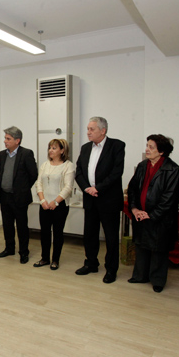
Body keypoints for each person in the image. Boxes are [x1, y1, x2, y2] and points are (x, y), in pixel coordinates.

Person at [74, 116, 125, 283]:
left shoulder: (116, 146)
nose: (88, 132)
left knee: (111, 237)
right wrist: (87, 188)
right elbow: (78, 171)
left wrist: (98, 188)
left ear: (103, 131)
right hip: (90, 198)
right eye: (88, 129)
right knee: (89, 234)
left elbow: (116, 172)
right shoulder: (85, 148)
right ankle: (91, 263)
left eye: (92, 129)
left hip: (108, 199)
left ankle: (111, 269)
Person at [126, 135, 179, 292]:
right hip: (140, 214)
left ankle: (157, 280)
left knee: (159, 249)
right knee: (141, 245)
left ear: (161, 151)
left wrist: (152, 214)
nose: (147, 149)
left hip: (160, 217)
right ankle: (140, 276)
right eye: (147, 146)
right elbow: (132, 189)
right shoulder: (142, 165)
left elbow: (169, 197)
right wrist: (135, 209)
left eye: (151, 147)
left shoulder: (172, 169)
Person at [0, 126, 38, 263]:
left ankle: (24, 252)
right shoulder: (2, 154)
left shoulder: (26, 154)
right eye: (5, 138)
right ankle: (9, 248)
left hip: (19, 197)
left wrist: (23, 189)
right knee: (7, 225)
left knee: (21, 227)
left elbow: (33, 174)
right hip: (4, 196)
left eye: (8, 139)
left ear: (17, 140)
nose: (5, 141)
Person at [33, 139, 75, 270]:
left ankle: (55, 260)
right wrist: (42, 201)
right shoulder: (45, 165)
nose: (50, 150)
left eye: (54, 148)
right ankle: (45, 258)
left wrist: (56, 201)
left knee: (58, 233)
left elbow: (68, 187)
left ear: (62, 150)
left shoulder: (68, 166)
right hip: (44, 204)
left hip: (60, 205)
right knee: (45, 233)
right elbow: (38, 183)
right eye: (50, 148)